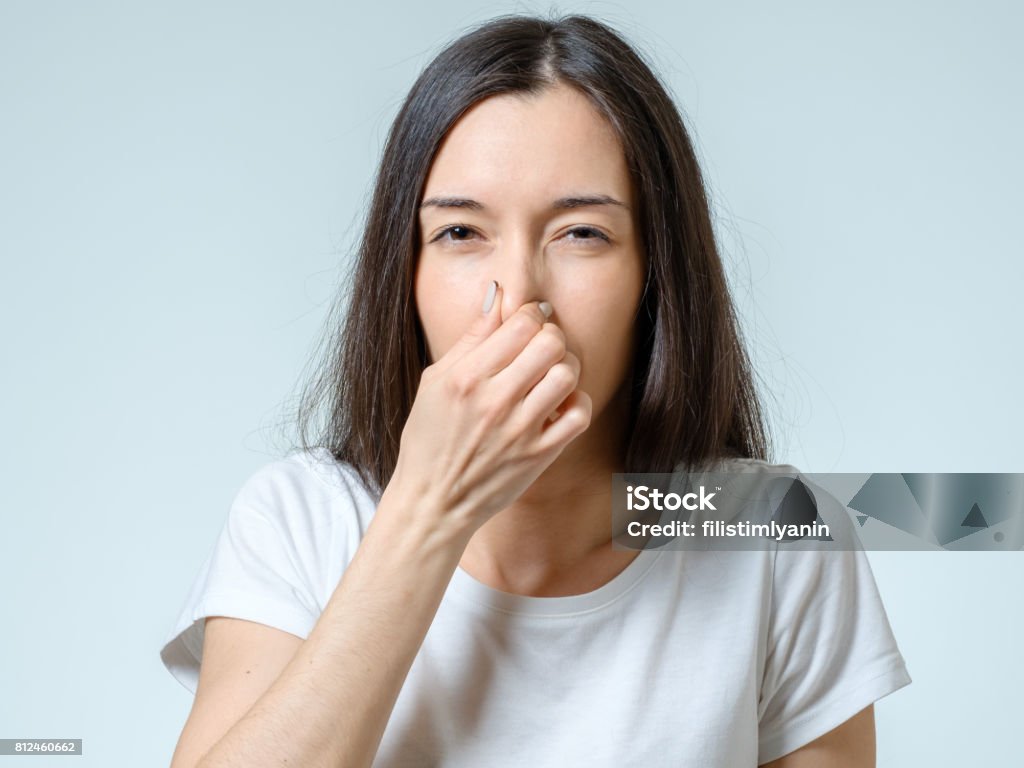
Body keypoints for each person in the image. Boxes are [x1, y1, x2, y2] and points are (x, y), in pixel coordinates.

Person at [159, 13, 911, 767]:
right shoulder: (301, 519)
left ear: (656, 277)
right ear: (405, 274)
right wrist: (428, 512)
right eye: (460, 234)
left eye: (582, 233)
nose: (518, 295)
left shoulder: (772, 529)